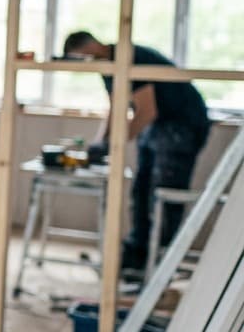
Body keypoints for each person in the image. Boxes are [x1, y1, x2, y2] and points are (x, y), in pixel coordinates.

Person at [62, 31, 211, 277]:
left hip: (182, 123)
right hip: (158, 123)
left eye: (84, 58)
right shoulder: (106, 65)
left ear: (93, 46)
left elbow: (146, 111)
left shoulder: (131, 57)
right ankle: (137, 256)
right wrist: (100, 142)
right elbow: (115, 107)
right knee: (140, 190)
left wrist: (117, 144)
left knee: (163, 195)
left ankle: (161, 261)